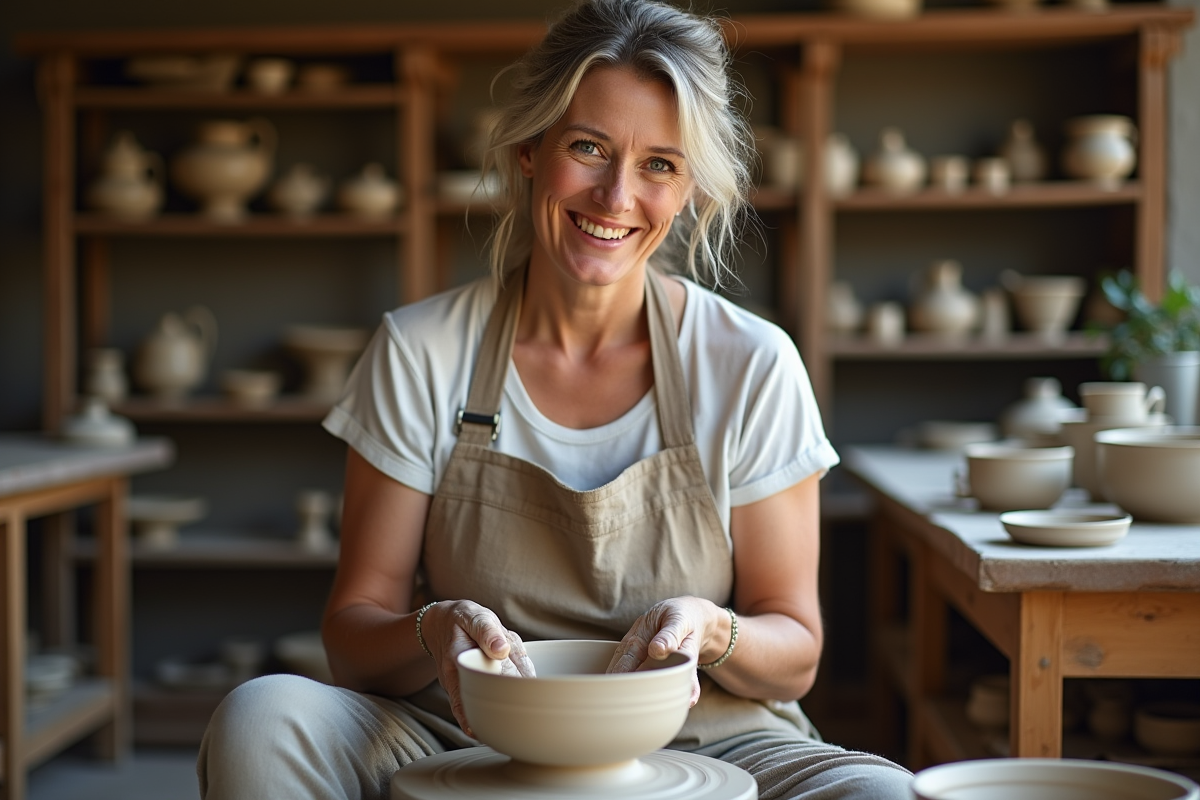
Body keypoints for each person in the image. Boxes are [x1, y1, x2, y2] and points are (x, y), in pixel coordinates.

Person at [197, 0, 912, 797]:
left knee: (878, 794)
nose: (615, 196)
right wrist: (435, 629)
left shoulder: (751, 363)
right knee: (261, 720)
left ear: (688, 192)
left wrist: (712, 629)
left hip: (705, 735)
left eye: (660, 166)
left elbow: (798, 650)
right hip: (463, 733)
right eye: (588, 148)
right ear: (530, 148)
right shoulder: (423, 350)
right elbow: (354, 636)